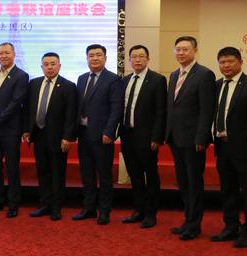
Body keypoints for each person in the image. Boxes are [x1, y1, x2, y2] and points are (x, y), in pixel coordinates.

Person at [211, 47, 247, 248]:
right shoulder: (216, 85)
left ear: (240, 62)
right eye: (222, 62)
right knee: (228, 189)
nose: (226, 66)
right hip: (222, 146)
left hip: (245, 148)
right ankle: (230, 226)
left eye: (230, 61)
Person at [165, 36, 216, 240]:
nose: (181, 53)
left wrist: (202, 137)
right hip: (175, 138)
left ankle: (194, 225)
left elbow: (207, 109)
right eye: (178, 49)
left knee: (194, 183)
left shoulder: (204, 74)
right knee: (183, 182)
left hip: (194, 139)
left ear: (195, 51)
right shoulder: (174, 74)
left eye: (185, 49)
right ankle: (188, 220)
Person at [22, 52, 76, 221]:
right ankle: (45, 204)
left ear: (59, 66)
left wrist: (68, 137)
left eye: (53, 64)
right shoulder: (34, 84)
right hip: (38, 135)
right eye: (46, 64)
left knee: (57, 173)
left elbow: (71, 114)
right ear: (41, 67)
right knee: (42, 171)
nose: (49, 67)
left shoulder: (68, 86)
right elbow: (27, 109)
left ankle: (56, 207)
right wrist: (26, 130)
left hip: (58, 138)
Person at [73, 44, 123, 225]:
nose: (94, 58)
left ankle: (104, 211)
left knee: (104, 175)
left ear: (105, 58)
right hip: (83, 133)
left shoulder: (113, 79)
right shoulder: (81, 78)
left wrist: (109, 131)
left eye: (98, 55)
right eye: (91, 55)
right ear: (87, 58)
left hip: (103, 136)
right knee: (86, 174)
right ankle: (89, 208)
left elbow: (116, 108)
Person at [119, 45, 167, 229]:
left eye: (141, 56)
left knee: (150, 175)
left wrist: (157, 137)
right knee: (134, 175)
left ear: (148, 59)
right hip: (127, 135)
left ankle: (151, 213)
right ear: (129, 60)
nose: (137, 60)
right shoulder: (125, 80)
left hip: (147, 137)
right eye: (134, 57)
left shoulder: (157, 80)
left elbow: (161, 111)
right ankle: (138, 210)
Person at [0, 42, 29, 218]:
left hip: (10, 131)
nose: (3, 56)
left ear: (14, 54)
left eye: (7, 53)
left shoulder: (21, 76)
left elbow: (15, 104)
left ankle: (13, 203)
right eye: (1, 53)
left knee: (12, 168)